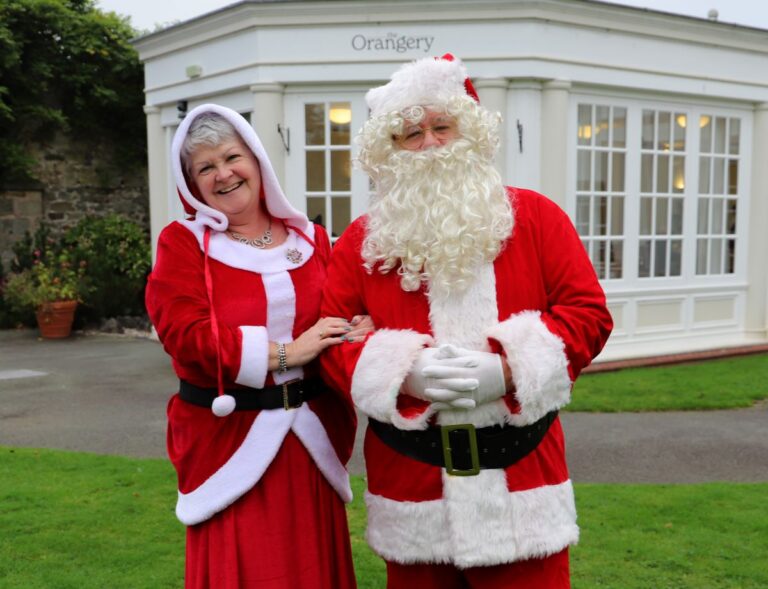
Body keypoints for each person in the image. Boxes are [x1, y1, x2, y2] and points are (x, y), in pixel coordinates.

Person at [320, 55, 613, 588]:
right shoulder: (361, 244)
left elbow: (588, 315)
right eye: (410, 133)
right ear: (390, 150)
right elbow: (331, 339)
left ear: (468, 131)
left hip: (524, 484)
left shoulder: (538, 218)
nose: (429, 142)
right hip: (412, 489)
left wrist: (508, 370)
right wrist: (400, 372)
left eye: (441, 126)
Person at [145, 103, 370, 589]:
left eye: (232, 157)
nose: (223, 174)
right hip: (229, 444)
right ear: (190, 182)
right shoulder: (184, 244)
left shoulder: (311, 240)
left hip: (311, 444)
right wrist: (288, 353)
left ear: (257, 159)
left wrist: (360, 326)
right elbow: (185, 336)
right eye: (205, 167)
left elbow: (341, 313)